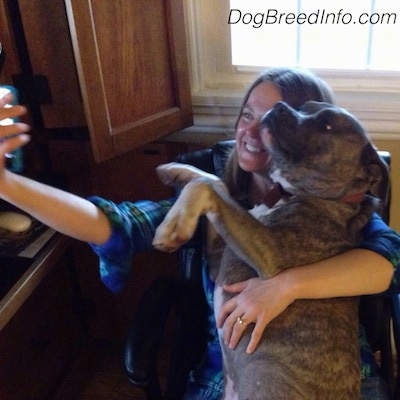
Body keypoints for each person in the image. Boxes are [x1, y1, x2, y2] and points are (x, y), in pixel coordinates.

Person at [0, 68, 398, 400]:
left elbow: (388, 264)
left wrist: (287, 285)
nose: (255, 129)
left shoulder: (339, 208)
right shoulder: (207, 198)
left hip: (332, 378)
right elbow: (111, 223)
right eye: (247, 114)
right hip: (228, 376)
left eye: (276, 116)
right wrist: (7, 184)